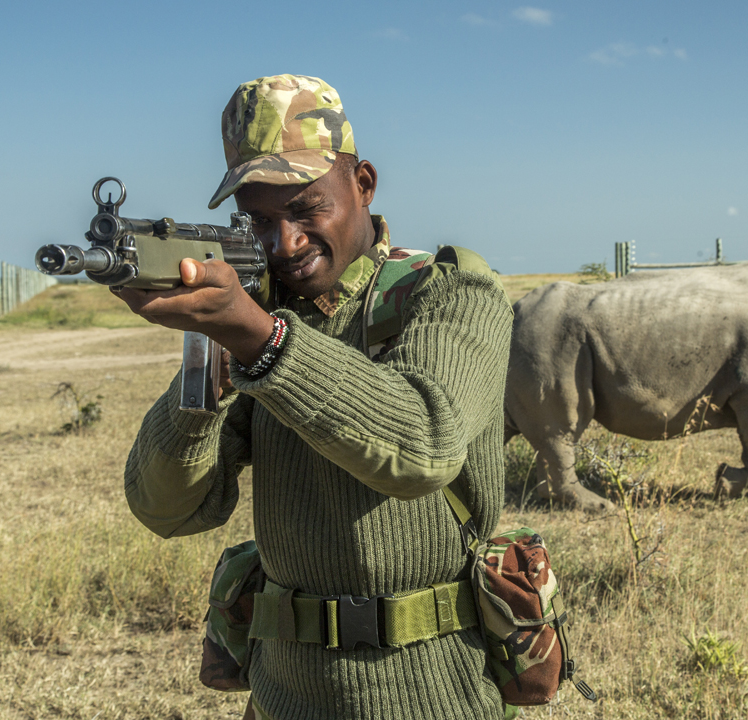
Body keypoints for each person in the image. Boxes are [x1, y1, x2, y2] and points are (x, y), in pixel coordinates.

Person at [116, 74, 513, 719]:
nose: (285, 242)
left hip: (435, 692)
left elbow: (425, 446)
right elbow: (168, 510)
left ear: (364, 184)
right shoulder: (262, 318)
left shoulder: (450, 291)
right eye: (259, 220)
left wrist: (261, 339)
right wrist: (203, 362)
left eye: (306, 209)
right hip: (284, 694)